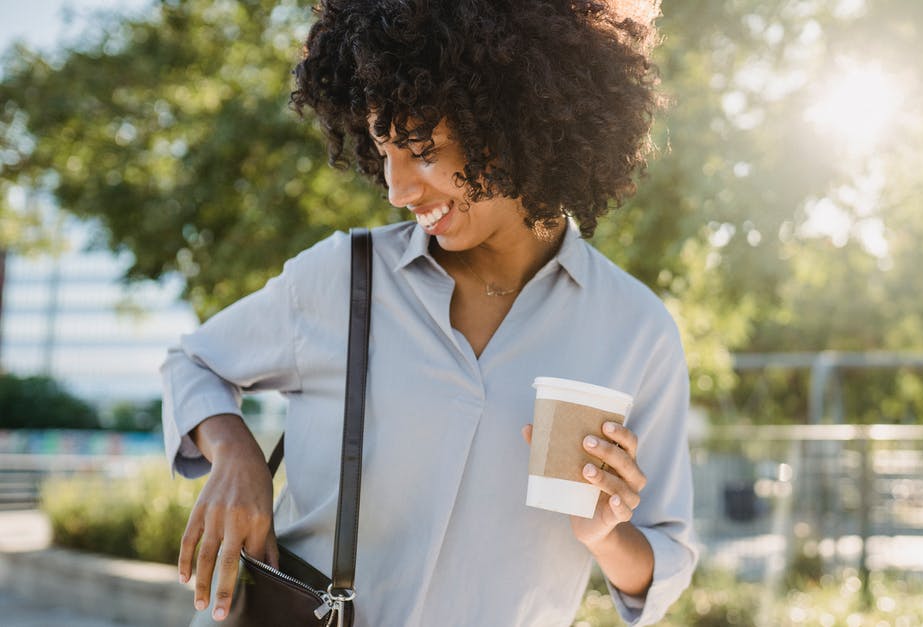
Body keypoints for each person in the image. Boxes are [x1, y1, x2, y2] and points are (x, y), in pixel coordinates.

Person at [160, 0, 697, 625]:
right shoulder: (342, 278)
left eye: (421, 148)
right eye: (383, 149)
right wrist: (236, 459)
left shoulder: (636, 330)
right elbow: (193, 363)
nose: (396, 189)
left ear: (512, 122)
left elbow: (665, 561)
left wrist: (604, 533)